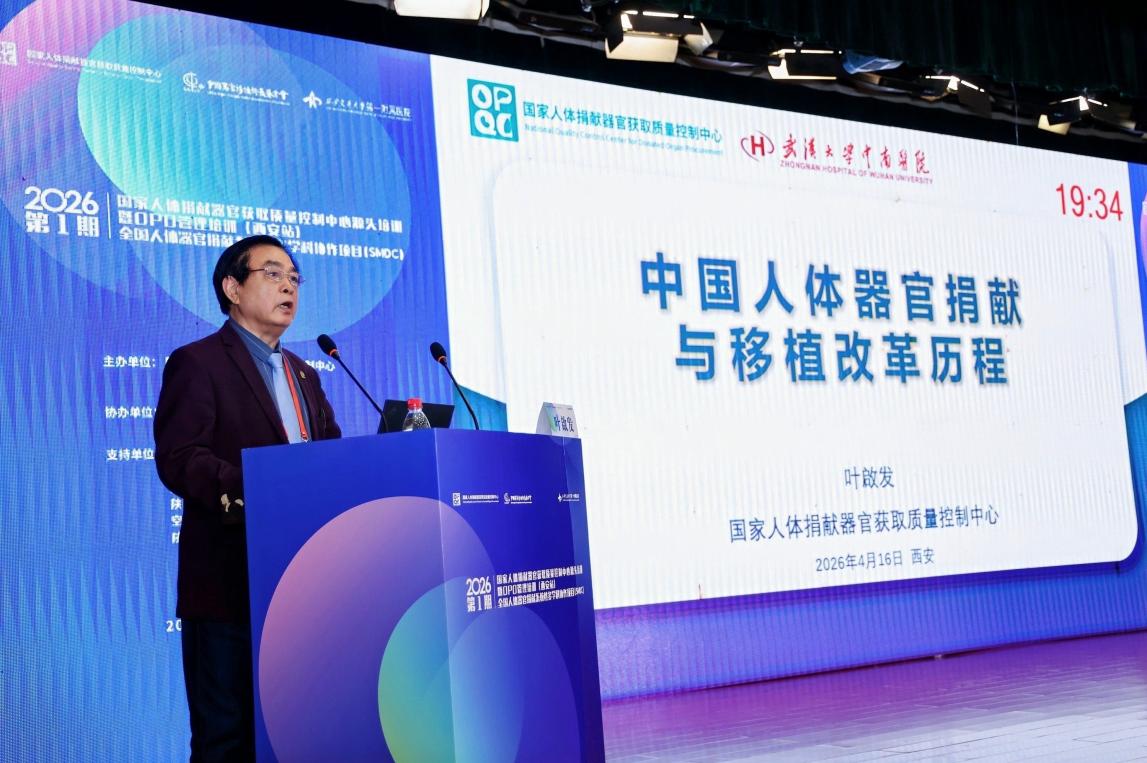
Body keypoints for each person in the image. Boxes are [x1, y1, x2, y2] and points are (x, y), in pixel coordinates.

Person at [154, 235, 341, 761]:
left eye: (295, 278)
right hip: (228, 587)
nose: (289, 286)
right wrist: (258, 487)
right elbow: (180, 457)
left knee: (293, 736)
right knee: (227, 742)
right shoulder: (197, 362)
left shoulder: (305, 374)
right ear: (232, 289)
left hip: (303, 586)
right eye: (273, 274)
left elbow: (331, 458)